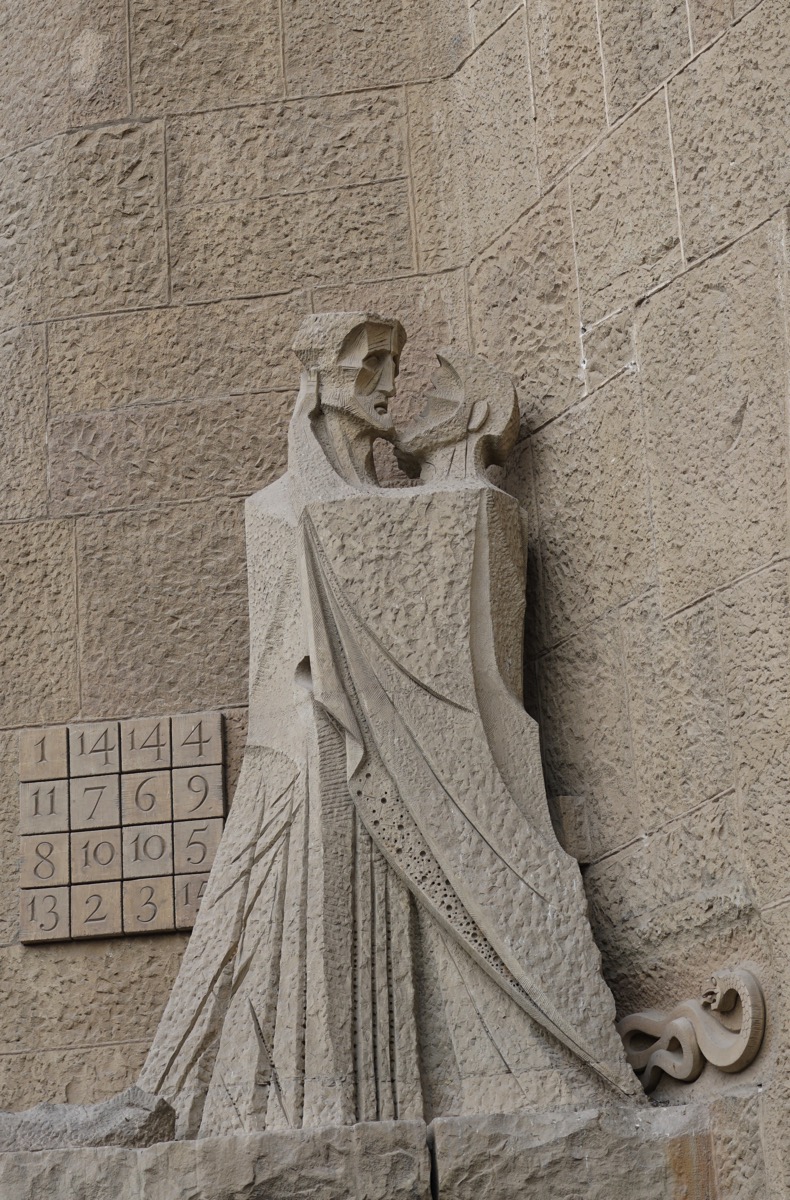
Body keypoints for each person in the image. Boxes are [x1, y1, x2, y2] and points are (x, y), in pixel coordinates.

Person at [140, 316, 639, 1138]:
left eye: (393, 364)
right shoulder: (274, 510)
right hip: (315, 768)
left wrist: (470, 479)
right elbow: (283, 664)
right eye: (369, 363)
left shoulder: (398, 510)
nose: (385, 381)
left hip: (398, 758)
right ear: (322, 381)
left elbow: (454, 567)